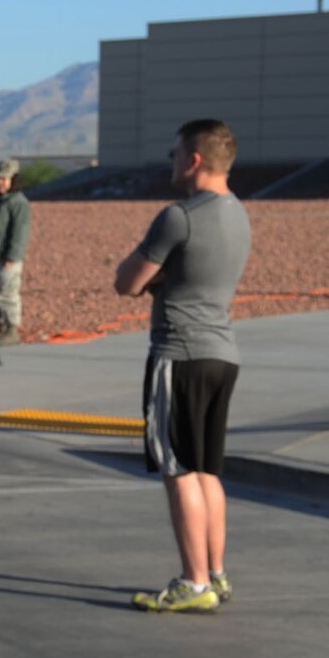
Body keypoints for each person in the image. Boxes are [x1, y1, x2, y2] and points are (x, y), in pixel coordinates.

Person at [114, 118, 251, 613]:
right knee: (207, 468)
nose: (171, 162)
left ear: (194, 159)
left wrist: (155, 279)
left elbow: (127, 281)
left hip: (180, 353)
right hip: (222, 354)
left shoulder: (179, 217)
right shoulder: (238, 213)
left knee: (178, 470)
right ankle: (214, 572)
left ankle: (193, 584)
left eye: (175, 154)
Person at [0, 161, 32, 344]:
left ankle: (11, 330)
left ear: (13, 180)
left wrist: (13, 255)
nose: (1, 182)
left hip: (7, 259)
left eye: (5, 179)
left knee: (7, 293)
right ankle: (2, 328)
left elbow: (21, 231)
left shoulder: (18, 203)